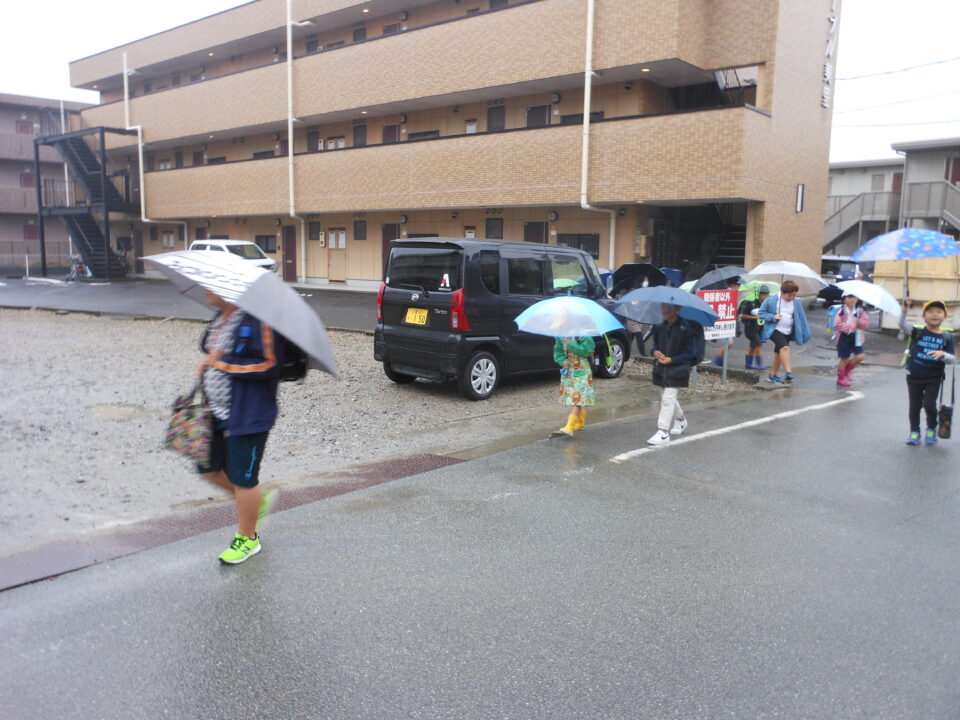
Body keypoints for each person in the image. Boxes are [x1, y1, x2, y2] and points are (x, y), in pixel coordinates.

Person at [196, 289, 282, 564]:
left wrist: (221, 362)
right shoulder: (221, 317)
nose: (205, 289)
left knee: (243, 479)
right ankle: (255, 501)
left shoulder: (259, 319)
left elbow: (270, 364)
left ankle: (248, 539)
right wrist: (208, 364)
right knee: (207, 468)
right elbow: (212, 352)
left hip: (248, 413)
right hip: (213, 409)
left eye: (211, 284)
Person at [899, 299, 956, 446]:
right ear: (924, 316)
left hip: (933, 378)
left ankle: (931, 430)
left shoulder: (947, 337)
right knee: (914, 406)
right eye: (930, 312)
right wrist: (904, 310)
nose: (934, 314)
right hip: (914, 375)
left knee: (930, 405)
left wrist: (943, 354)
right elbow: (902, 325)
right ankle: (914, 433)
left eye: (939, 312)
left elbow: (952, 359)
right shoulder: (917, 332)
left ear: (945, 316)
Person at [647, 303, 701, 445]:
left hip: (678, 369)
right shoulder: (660, 326)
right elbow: (654, 345)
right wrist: (655, 352)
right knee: (667, 397)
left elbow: (691, 352)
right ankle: (681, 420)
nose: (665, 310)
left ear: (678, 308)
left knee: (667, 398)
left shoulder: (686, 328)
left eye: (669, 307)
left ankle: (663, 432)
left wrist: (672, 360)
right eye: (663, 306)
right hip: (661, 369)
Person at [758, 280, 810, 384]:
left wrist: (804, 331)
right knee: (784, 348)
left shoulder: (796, 301)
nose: (792, 297)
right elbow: (761, 313)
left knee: (778, 353)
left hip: (788, 331)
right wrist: (773, 316)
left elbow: (801, 317)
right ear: (782, 293)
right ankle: (788, 372)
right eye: (790, 295)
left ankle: (772, 376)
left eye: (794, 295)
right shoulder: (771, 300)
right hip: (774, 329)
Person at [552, 335, 596, 436]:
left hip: (582, 373)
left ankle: (570, 427)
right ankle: (580, 422)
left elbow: (587, 350)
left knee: (577, 400)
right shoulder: (560, 337)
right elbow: (557, 353)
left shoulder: (583, 335)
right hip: (569, 373)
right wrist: (563, 361)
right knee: (574, 399)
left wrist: (571, 345)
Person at [834, 292, 870, 387]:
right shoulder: (841, 311)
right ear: (844, 299)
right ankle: (841, 378)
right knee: (844, 358)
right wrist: (850, 327)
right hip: (844, 337)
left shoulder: (860, 311)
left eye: (854, 297)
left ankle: (846, 371)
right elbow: (837, 325)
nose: (852, 299)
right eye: (849, 297)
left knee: (860, 356)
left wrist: (858, 321)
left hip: (857, 336)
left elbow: (865, 324)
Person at [711, 277, 742, 366]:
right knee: (728, 342)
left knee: (728, 342)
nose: (739, 287)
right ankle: (718, 361)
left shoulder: (733, 293)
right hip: (723, 321)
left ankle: (720, 361)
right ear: (732, 285)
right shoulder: (727, 293)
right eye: (738, 285)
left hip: (728, 321)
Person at [738, 285, 769, 370]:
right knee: (758, 345)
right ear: (758, 294)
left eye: (766, 294)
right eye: (763, 294)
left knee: (753, 346)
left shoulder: (765, 305)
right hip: (750, 329)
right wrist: (754, 317)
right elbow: (742, 316)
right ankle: (760, 364)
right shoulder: (751, 304)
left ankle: (748, 364)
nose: (765, 296)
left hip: (759, 329)